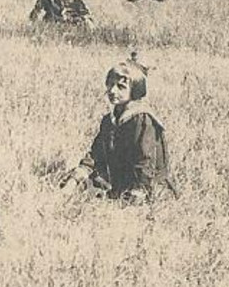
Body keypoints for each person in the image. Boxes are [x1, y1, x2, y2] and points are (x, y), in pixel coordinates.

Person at [58, 58, 170, 203]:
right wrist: (78, 175)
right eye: (110, 85)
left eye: (120, 87)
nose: (112, 91)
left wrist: (140, 190)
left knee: (132, 200)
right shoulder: (109, 120)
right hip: (118, 180)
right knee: (72, 186)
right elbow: (96, 154)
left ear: (135, 90)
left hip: (144, 183)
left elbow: (145, 161)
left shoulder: (142, 119)